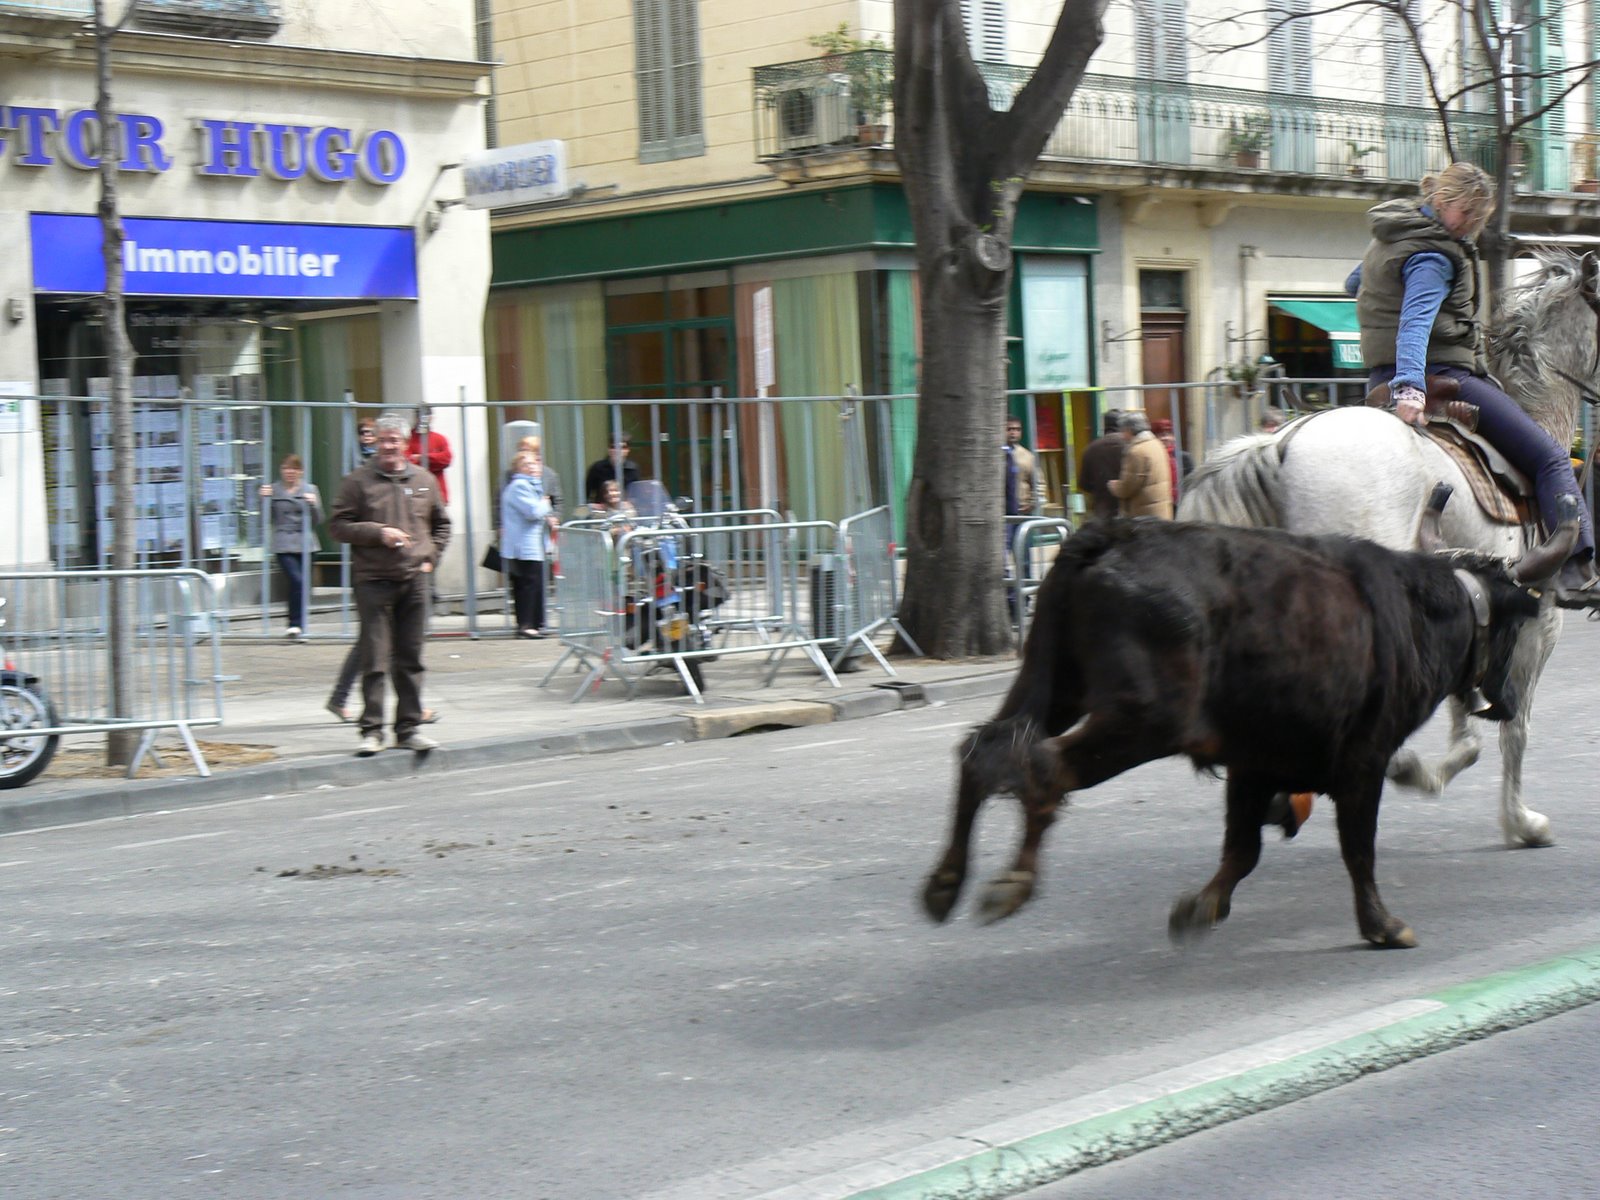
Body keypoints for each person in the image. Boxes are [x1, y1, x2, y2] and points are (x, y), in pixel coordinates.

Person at [1347, 161, 1599, 606]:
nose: (1471, 225)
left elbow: (1355, 283)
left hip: (1378, 374)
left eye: (1479, 218)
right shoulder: (1435, 255)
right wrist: (1411, 387)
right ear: (1443, 201)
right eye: (1467, 213)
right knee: (1550, 458)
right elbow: (1415, 323)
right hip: (1443, 373)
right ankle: (1578, 570)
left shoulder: (1392, 234)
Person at [328, 412, 451, 756]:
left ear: (404, 444)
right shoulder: (357, 482)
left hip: (414, 581)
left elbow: (442, 525)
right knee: (375, 659)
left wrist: (431, 557)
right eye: (382, 440)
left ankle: (408, 728)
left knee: (410, 657)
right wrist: (377, 533)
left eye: (394, 440)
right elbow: (337, 525)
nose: (387, 446)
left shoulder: (424, 480)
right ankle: (372, 731)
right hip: (373, 581)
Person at [260, 454, 322, 638]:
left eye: (294, 469)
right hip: (283, 542)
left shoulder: (310, 489)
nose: (290, 472)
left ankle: (299, 625)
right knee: (297, 581)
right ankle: (295, 623)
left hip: (306, 543)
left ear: (300, 471)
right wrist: (263, 500)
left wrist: (313, 505)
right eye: (286, 468)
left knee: (302, 585)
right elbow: (266, 518)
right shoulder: (273, 490)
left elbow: (319, 520)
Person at [501, 448, 557, 639]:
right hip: (525, 547)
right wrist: (545, 502)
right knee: (529, 585)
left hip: (529, 545)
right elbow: (533, 512)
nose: (532, 467)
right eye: (527, 464)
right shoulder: (520, 486)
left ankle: (533, 623)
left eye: (534, 463)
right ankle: (527, 625)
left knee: (531, 584)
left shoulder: (530, 485)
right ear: (518, 468)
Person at [1106, 409, 1173, 518]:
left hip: (1143, 515)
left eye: (1123, 431)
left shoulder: (1136, 452)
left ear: (1128, 430)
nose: (1122, 435)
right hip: (1160, 512)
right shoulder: (1157, 444)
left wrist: (1115, 486)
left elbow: (1128, 487)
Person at [1077, 409, 1126, 521]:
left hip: (1102, 509)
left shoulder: (1091, 448)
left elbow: (1084, 484)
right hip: (1127, 508)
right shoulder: (1132, 446)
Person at [407, 404, 453, 503]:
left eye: (426, 417)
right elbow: (407, 463)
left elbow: (446, 459)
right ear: (415, 417)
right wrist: (434, 461)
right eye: (419, 416)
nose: (422, 420)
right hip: (415, 493)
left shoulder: (439, 439)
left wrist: (421, 457)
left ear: (431, 418)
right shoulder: (407, 439)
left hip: (438, 492)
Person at [585, 433, 641, 503]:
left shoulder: (633, 469)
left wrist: (630, 504)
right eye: (613, 447)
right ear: (608, 450)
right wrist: (592, 505)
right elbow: (586, 493)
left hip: (625, 508)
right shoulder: (597, 468)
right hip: (602, 508)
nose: (618, 451)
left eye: (622, 447)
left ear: (628, 450)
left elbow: (637, 494)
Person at [1004, 416, 1041, 514]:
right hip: (998, 508)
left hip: (1020, 508)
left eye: (1017, 429)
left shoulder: (1027, 456)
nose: (1013, 433)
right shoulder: (994, 455)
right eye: (1009, 429)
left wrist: (1033, 503)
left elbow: (1038, 482)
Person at [1151, 418, 1193, 502]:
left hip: (1180, 502)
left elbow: (1191, 482)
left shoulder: (1183, 457)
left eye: (1168, 434)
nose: (1165, 438)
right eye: (1161, 435)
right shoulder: (1152, 457)